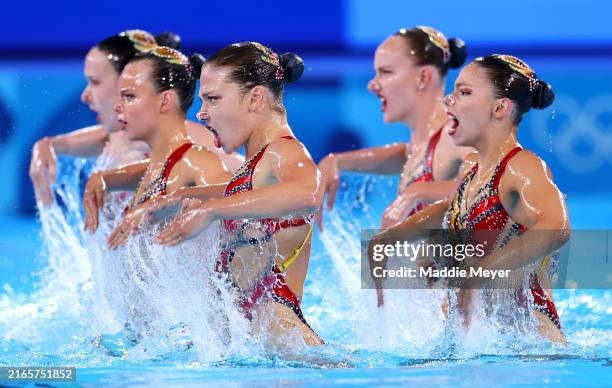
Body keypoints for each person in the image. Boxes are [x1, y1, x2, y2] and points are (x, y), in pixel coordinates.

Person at [370, 54, 569, 343]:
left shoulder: (522, 166)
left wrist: (479, 272)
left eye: (464, 93)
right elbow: (453, 210)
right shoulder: (472, 169)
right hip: (488, 347)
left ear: (500, 108)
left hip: (532, 350)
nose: (447, 101)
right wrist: (389, 238)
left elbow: (557, 227)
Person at [154, 42, 325, 349]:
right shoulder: (258, 163)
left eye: (214, 99)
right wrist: (184, 196)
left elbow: (308, 192)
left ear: (255, 98)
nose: (202, 113)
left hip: (285, 347)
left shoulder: (285, 150)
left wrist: (211, 211)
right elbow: (248, 192)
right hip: (255, 345)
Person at [29, 30, 242, 208]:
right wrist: (46, 145)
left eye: (95, 82)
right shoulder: (122, 138)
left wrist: (178, 200)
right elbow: (102, 138)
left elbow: (253, 182)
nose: (85, 96)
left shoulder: (188, 144)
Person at [317, 26, 472, 232]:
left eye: (386, 72)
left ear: (423, 77)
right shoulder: (428, 137)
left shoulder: (457, 133)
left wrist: (416, 192)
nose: (372, 85)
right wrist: (336, 161)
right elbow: (407, 153)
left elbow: (492, 188)